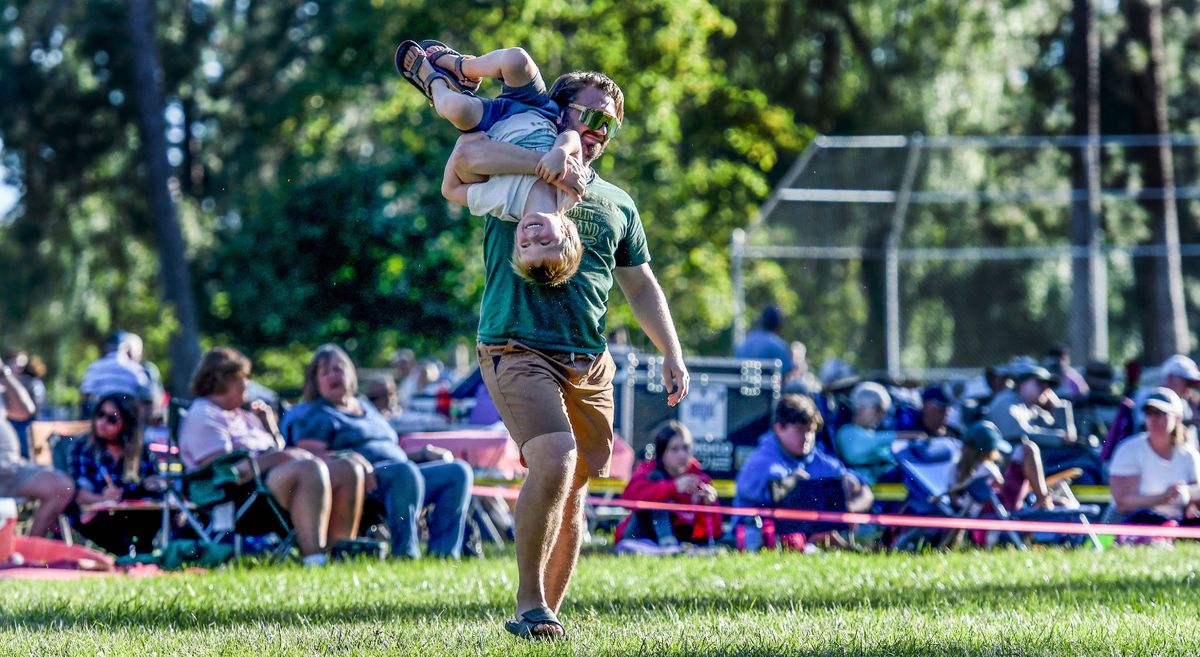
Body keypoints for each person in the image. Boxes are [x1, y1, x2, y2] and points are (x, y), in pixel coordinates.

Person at [450, 70, 689, 639]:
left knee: (574, 490)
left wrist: (672, 353)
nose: (599, 130)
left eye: (610, 123)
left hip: (587, 361)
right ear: (559, 113)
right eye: (589, 115)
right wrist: (541, 162)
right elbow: (467, 155)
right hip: (515, 346)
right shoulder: (518, 167)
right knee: (553, 458)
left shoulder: (617, 203)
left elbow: (640, 286)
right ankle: (528, 602)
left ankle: (542, 619)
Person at [397, 40, 585, 286]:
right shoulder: (571, 193)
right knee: (517, 60)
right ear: (567, 232)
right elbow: (572, 138)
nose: (532, 236)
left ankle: (433, 81)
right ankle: (463, 69)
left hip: (492, 123)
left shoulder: (503, 204)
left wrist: (463, 153)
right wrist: (560, 152)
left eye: (525, 245)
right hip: (538, 109)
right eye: (545, 242)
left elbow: (449, 190)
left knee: (455, 108)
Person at [178, 347, 366, 567]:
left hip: (271, 483)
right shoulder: (203, 414)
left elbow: (277, 450)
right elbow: (225, 472)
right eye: (244, 377)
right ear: (225, 379)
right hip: (238, 495)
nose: (248, 384)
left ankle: (340, 554)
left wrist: (270, 427)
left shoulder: (244, 416)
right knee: (309, 469)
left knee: (346, 469)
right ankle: (315, 559)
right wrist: (279, 458)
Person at [285, 344, 473, 560]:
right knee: (405, 472)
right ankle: (405, 553)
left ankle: (444, 555)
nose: (333, 375)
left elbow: (390, 451)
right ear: (315, 382)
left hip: (400, 471)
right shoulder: (315, 413)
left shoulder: (365, 407)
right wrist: (352, 460)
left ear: (350, 373)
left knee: (458, 471)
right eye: (325, 372)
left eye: (338, 369)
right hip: (362, 480)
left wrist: (423, 452)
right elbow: (309, 457)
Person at [735, 394, 873, 549]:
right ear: (779, 428)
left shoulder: (816, 457)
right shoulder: (761, 461)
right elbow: (777, 492)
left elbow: (864, 488)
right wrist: (793, 481)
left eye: (811, 431)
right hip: (760, 538)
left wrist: (849, 510)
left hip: (809, 539)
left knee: (849, 482)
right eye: (800, 430)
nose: (807, 437)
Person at [68, 392, 164, 555]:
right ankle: (132, 558)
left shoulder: (138, 449)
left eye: (111, 419)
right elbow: (80, 495)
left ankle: (141, 558)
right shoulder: (83, 447)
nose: (102, 422)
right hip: (98, 517)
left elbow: (154, 483)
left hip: (133, 516)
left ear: (126, 424)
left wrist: (154, 484)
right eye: (100, 414)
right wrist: (103, 498)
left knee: (156, 514)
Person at [613, 421, 721, 553]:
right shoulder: (648, 470)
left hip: (682, 542)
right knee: (656, 485)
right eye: (675, 449)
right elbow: (628, 498)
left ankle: (669, 549)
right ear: (662, 453)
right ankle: (666, 545)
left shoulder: (700, 479)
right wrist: (672, 488)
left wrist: (709, 505)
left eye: (686, 448)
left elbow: (711, 533)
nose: (682, 455)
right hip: (641, 537)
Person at [0, 359, 73, 538]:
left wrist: (4, 373)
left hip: (12, 468)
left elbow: (25, 410)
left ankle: (28, 551)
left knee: (61, 486)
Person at [1109, 388, 1200, 525]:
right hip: (1135, 524)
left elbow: (1195, 498)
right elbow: (1123, 503)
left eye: (1160, 413)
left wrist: (1191, 507)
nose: (1153, 418)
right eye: (1149, 413)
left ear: (1177, 418)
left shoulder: (1189, 455)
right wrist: (1164, 497)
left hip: (1176, 525)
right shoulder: (1128, 450)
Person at [833, 382, 920, 483]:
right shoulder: (846, 432)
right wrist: (904, 436)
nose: (882, 416)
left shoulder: (873, 435)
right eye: (879, 409)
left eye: (884, 411)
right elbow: (859, 449)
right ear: (862, 408)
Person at [79, 331, 152, 416]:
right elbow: (146, 396)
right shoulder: (135, 368)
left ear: (107, 347)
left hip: (102, 418)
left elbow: (86, 393)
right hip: (127, 419)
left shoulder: (95, 367)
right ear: (125, 347)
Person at [2, 348, 46, 458]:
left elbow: (27, 411)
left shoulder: (32, 383)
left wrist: (4, 374)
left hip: (26, 428)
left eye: (23, 365)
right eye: (16, 363)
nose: (20, 368)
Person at [734, 305, 795, 378]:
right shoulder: (779, 346)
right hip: (768, 389)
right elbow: (787, 374)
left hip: (740, 388)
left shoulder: (742, 344)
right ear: (778, 324)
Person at [895, 385, 961, 440]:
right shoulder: (910, 424)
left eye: (948, 407)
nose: (946, 411)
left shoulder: (954, 432)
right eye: (941, 407)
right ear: (926, 405)